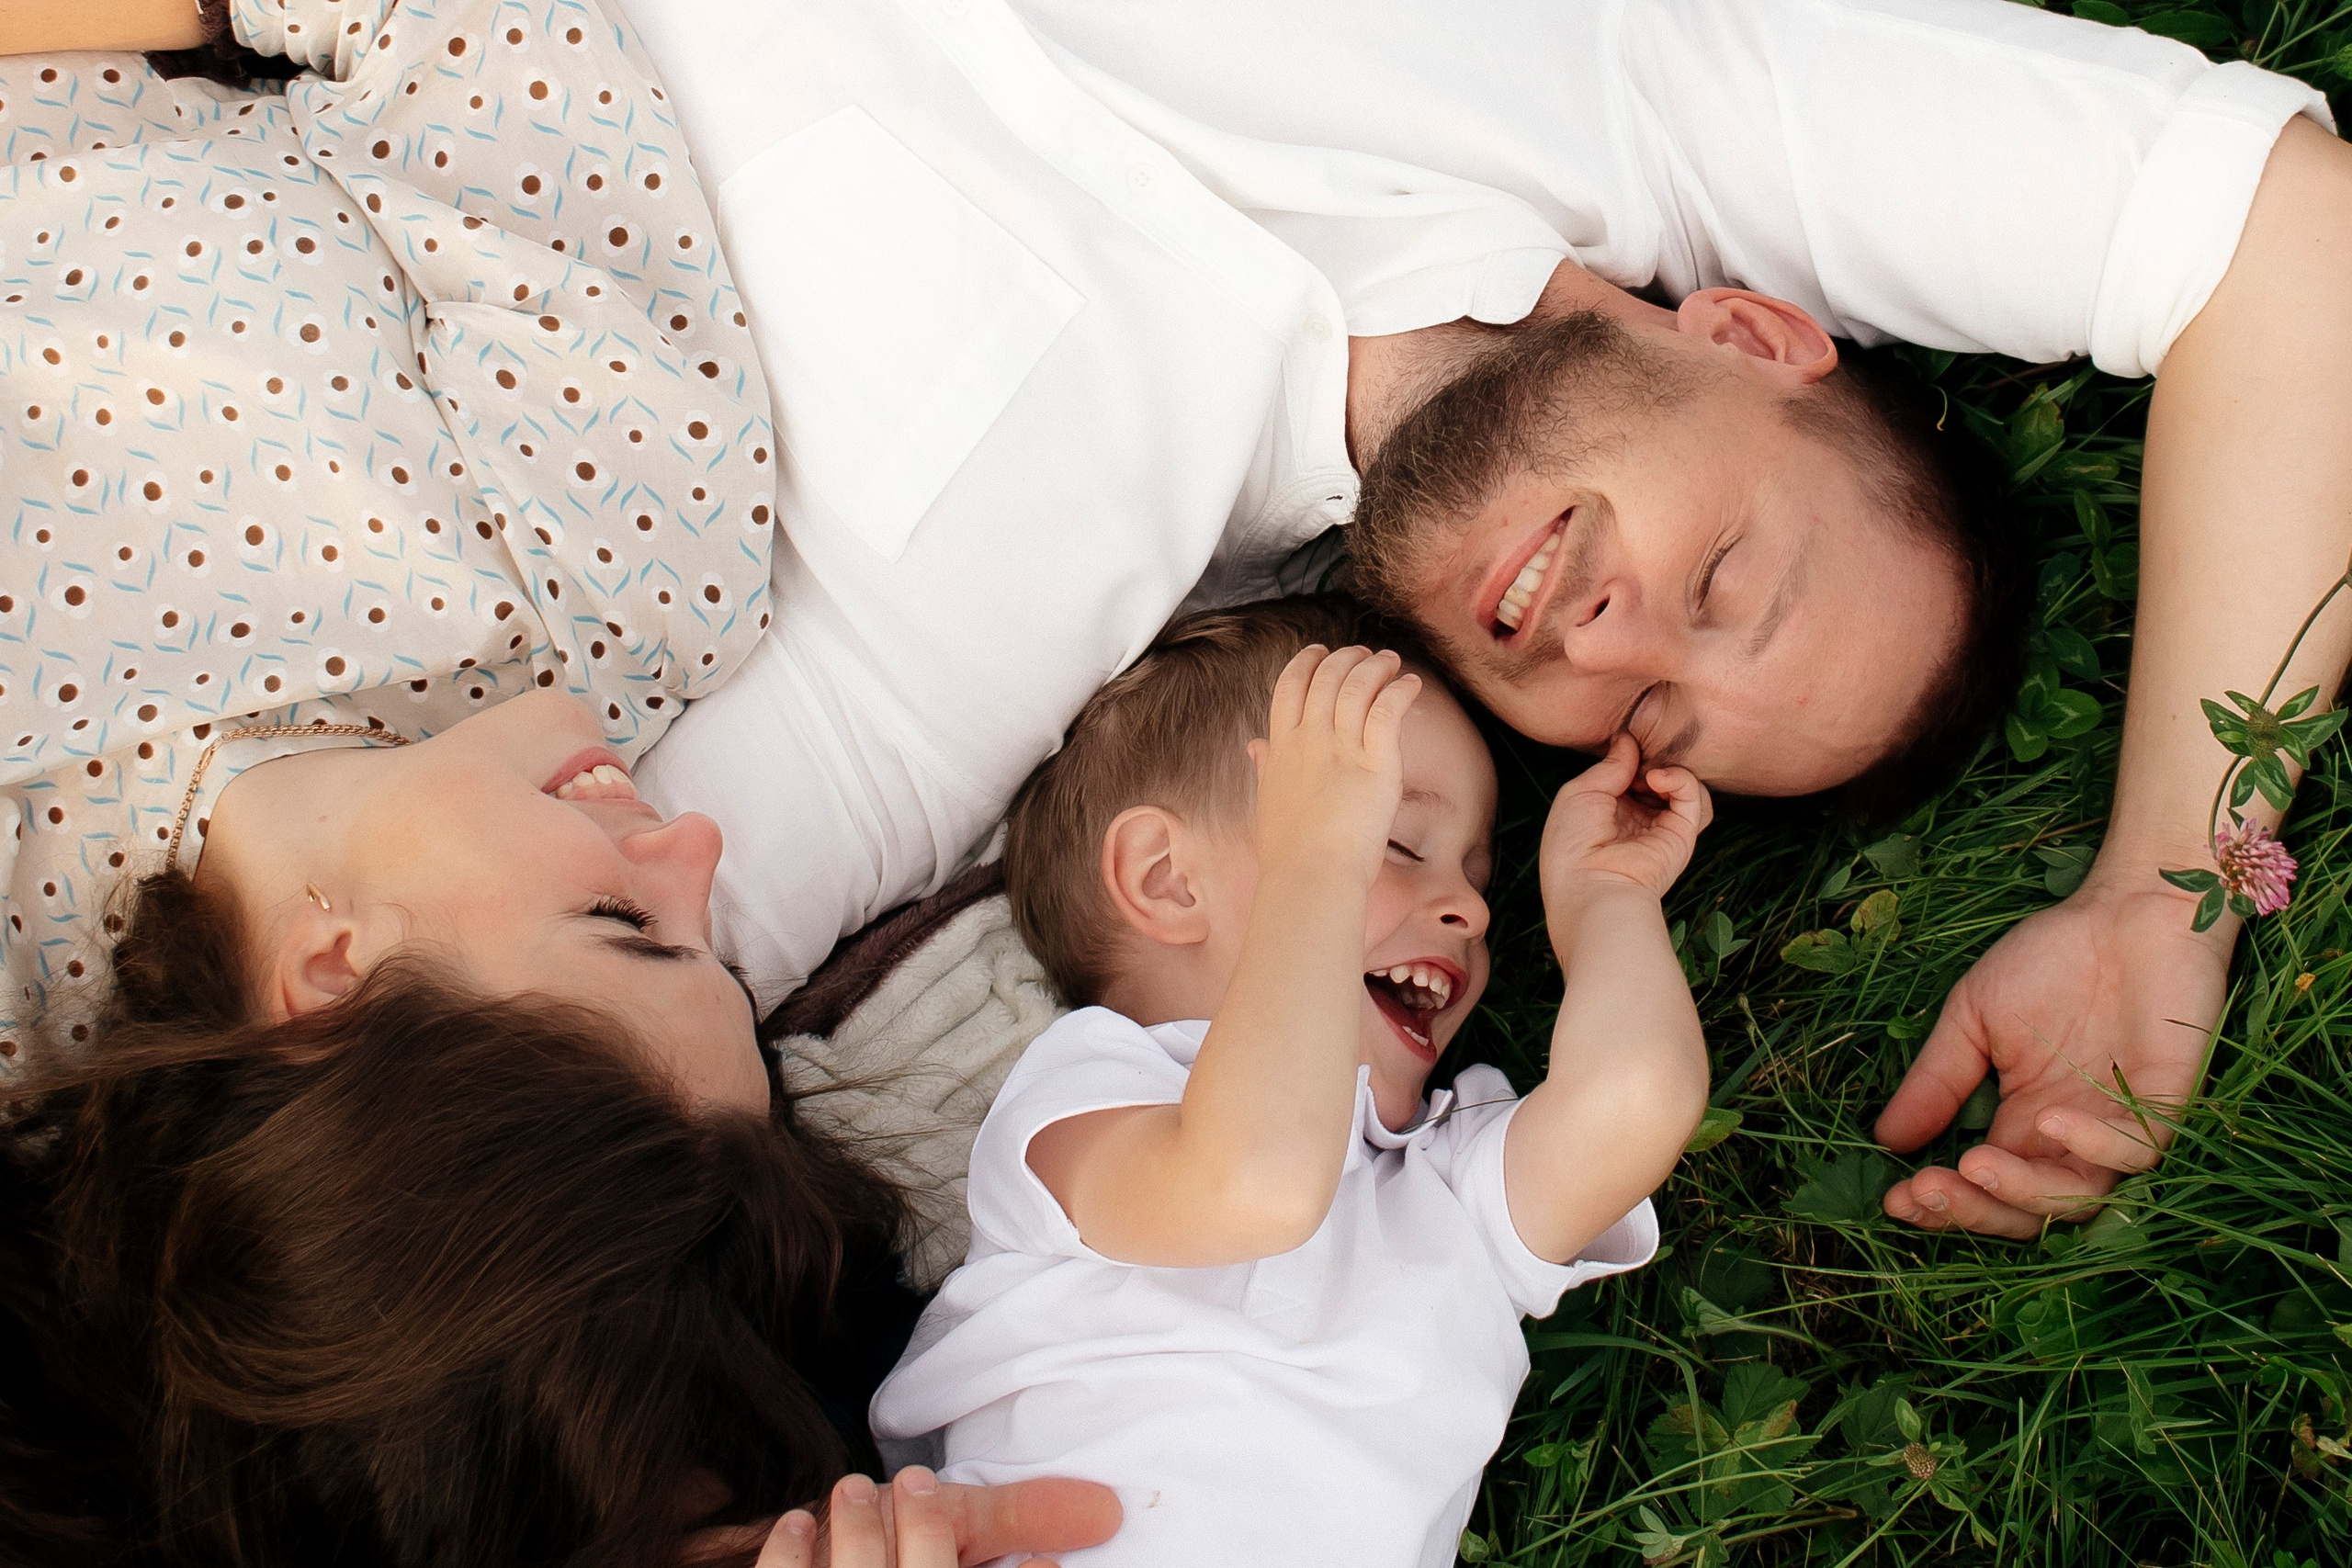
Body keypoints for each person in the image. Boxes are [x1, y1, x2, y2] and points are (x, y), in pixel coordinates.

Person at [591, 0, 2352, 1238]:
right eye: (1728, 578)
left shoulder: (962, 661)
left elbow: (551, 988)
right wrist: (2172, 870)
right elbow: (2284, 238)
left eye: (1647, 725)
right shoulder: (1627, 76)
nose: (1608, 643)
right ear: (1752, 340)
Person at [870, 599, 1710, 1564]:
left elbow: (1637, 1100)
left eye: (1477, 876)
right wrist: (1319, 857)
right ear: (1165, 880)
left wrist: (1605, 899)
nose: (1469, 910)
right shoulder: (1088, 1104)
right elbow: (1254, 1180)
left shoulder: (1442, 1183)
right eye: (1391, 840)